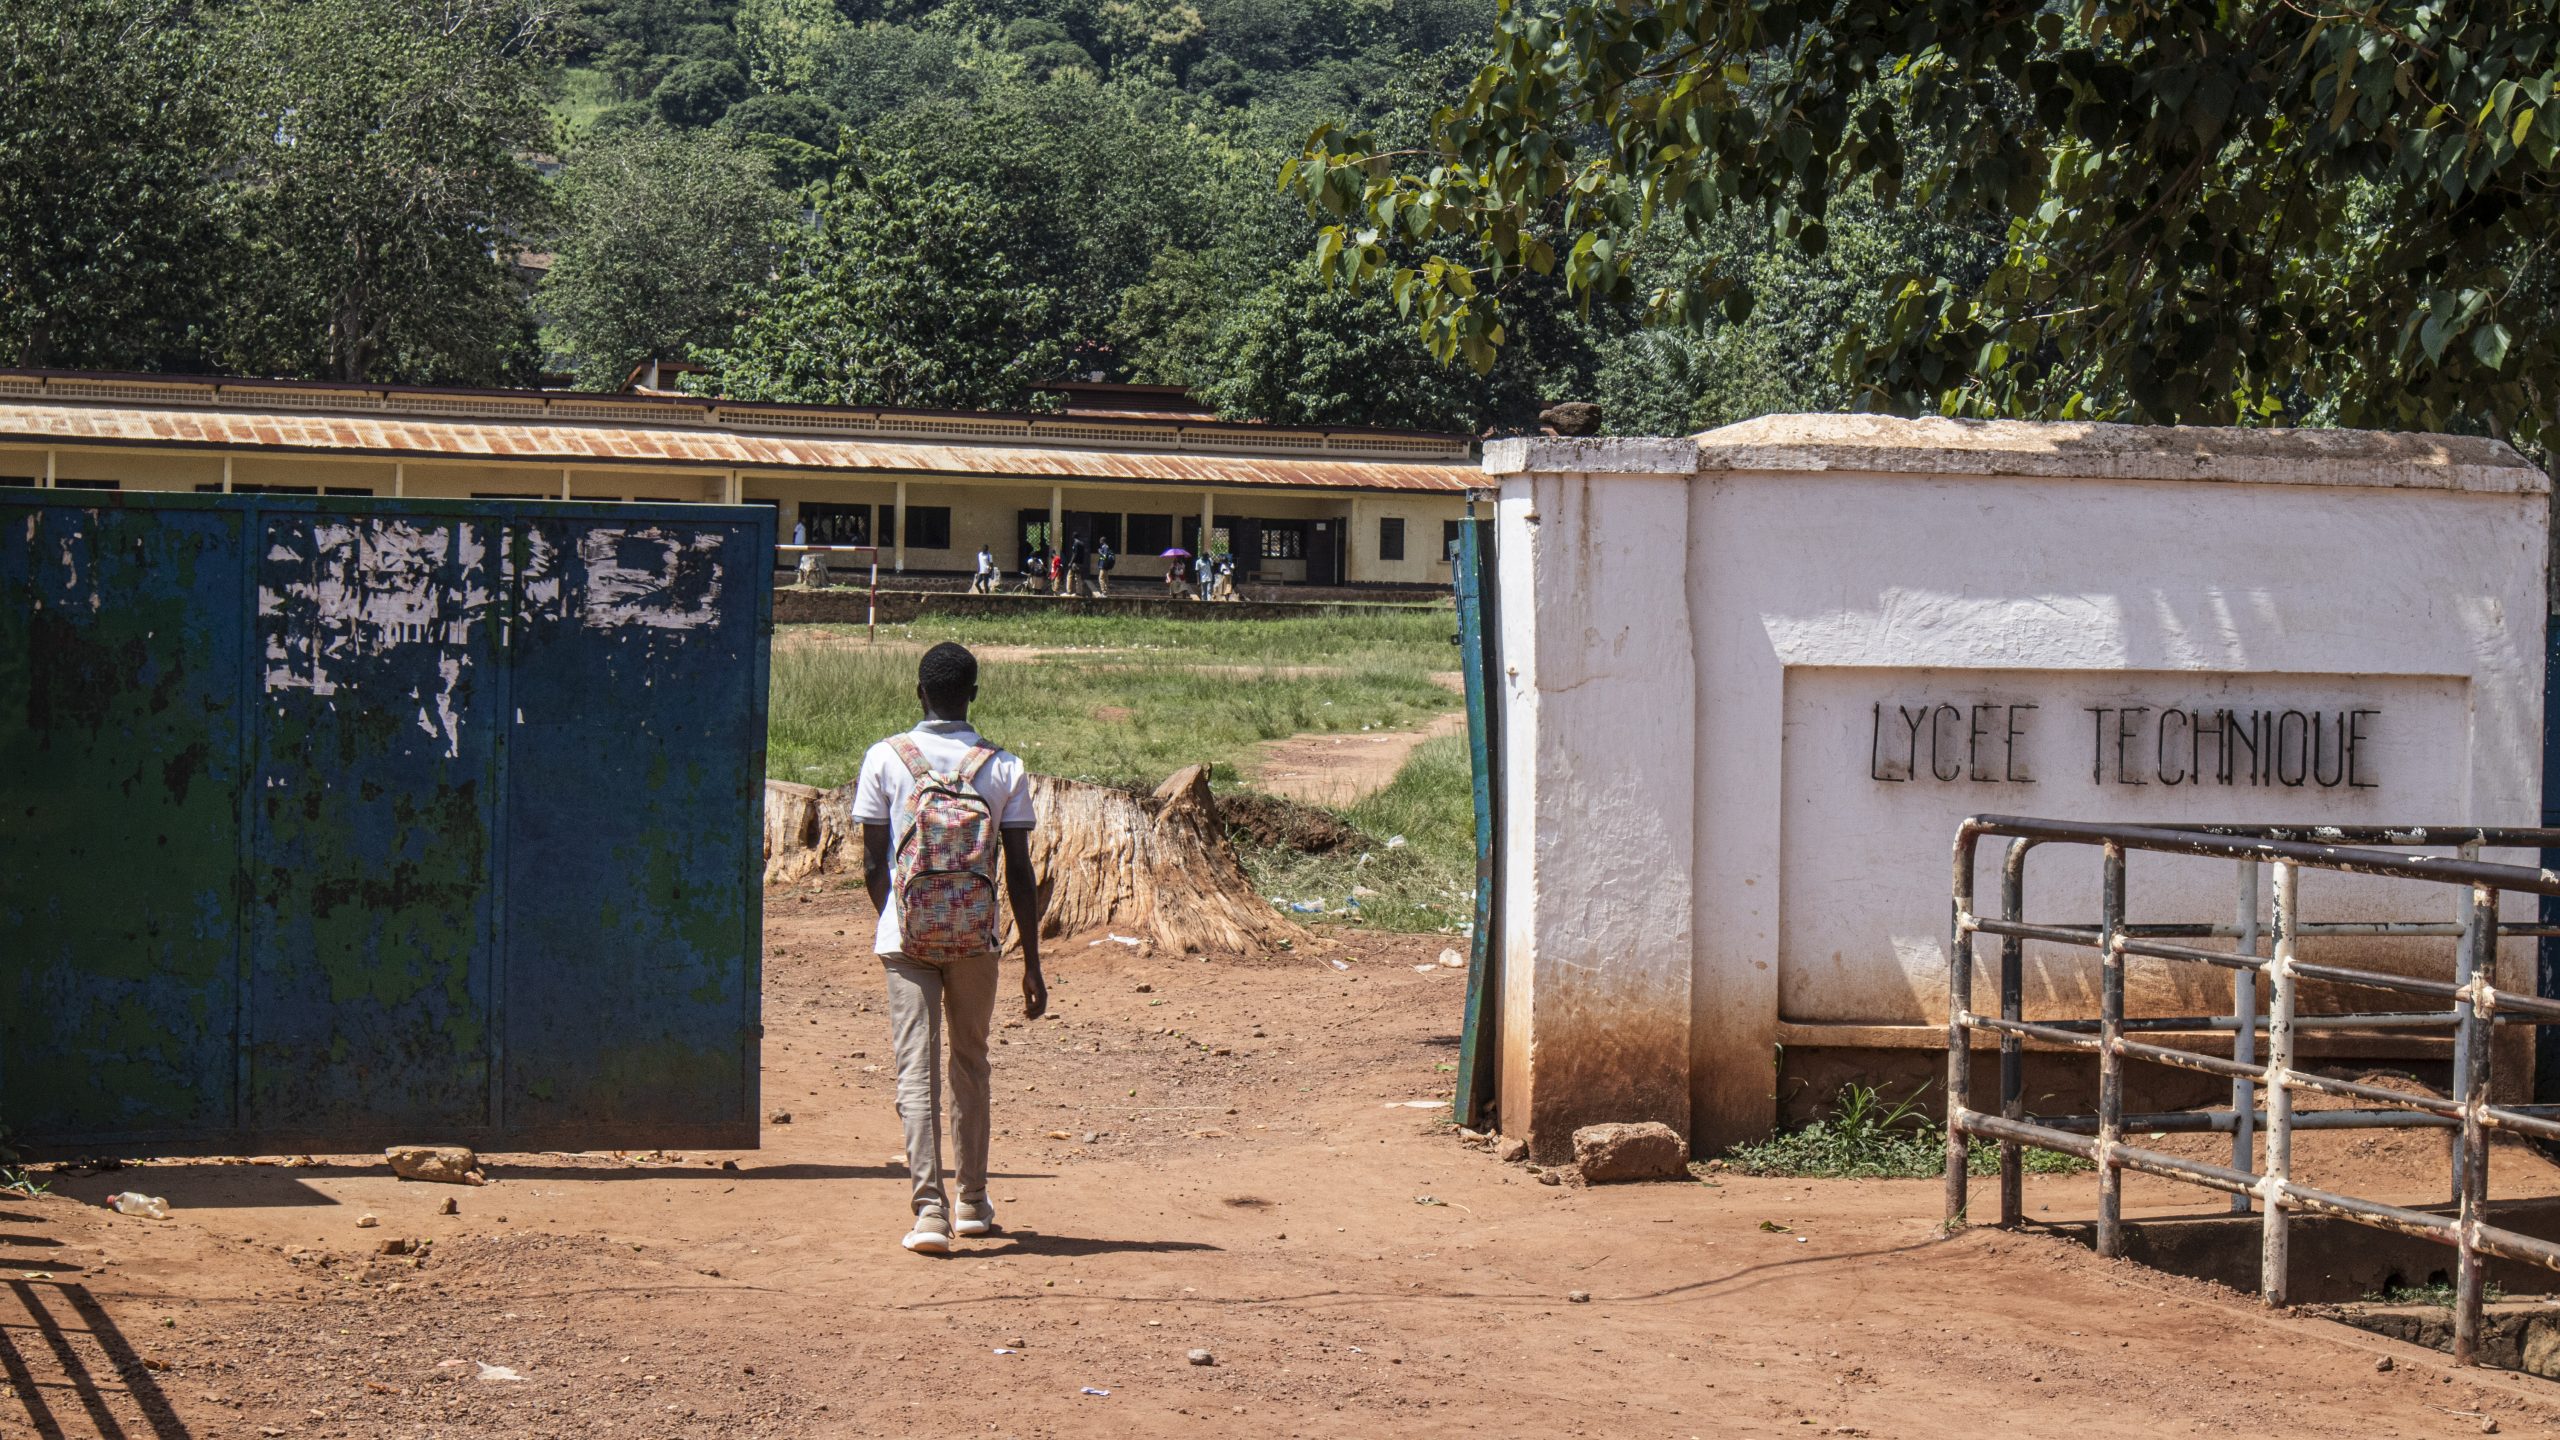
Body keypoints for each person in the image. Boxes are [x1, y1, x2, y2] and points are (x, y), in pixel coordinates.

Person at [851, 643, 1045, 1256]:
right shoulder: (1004, 767)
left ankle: (928, 1211)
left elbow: (871, 860)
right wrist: (1032, 963)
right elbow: (1019, 869)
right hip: (977, 940)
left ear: (918, 693)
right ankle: (973, 1202)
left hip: (905, 939)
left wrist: (898, 917)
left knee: (916, 1070)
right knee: (971, 1062)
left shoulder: (885, 759)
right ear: (975, 694)